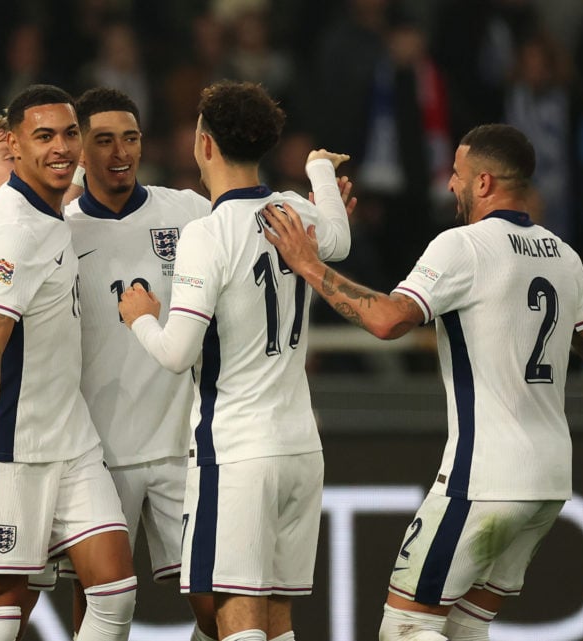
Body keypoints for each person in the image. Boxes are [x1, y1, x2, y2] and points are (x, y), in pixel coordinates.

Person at [259, 123, 583, 641]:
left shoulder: (463, 247)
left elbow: (388, 320)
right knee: (461, 627)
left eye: (457, 173)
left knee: (406, 627)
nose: (450, 184)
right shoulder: (565, 257)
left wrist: (309, 265)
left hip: (485, 478)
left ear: (485, 183)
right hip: (548, 483)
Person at [118, 79, 352, 641]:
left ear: (204, 144)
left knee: (238, 614)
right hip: (301, 447)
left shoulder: (209, 234)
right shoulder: (298, 213)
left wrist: (140, 316)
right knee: (276, 618)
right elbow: (339, 239)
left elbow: (176, 355)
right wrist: (319, 171)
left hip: (238, 450)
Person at [0, 84, 136, 641]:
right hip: (9, 449)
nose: (62, 147)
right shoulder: (13, 233)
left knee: (116, 593)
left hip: (70, 439)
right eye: (43, 136)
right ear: (14, 145)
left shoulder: (48, 213)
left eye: (70, 133)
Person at [62, 86, 217, 641]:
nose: (119, 152)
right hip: (99, 453)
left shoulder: (190, 211)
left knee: (216, 608)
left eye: (129, 138)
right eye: (103, 140)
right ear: (79, 149)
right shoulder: (60, 228)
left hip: (184, 444)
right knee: (101, 607)